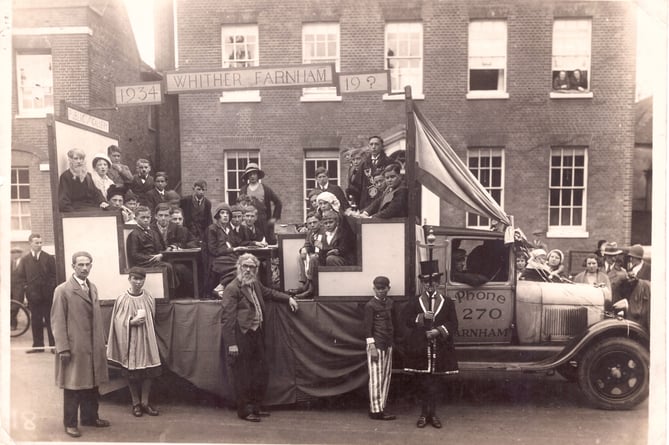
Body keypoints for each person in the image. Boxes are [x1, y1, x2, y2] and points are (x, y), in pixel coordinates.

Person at [220, 253, 299, 422]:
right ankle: (245, 411)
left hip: (257, 333)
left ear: (256, 269)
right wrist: (232, 344)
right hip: (242, 335)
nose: (248, 270)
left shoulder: (255, 283)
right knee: (243, 374)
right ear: (239, 267)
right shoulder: (232, 288)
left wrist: (288, 298)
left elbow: (269, 292)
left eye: (252, 267)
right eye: (245, 266)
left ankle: (255, 407)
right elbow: (227, 320)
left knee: (260, 371)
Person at [51, 251, 110, 438]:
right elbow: (57, 321)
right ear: (73, 266)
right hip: (74, 347)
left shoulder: (92, 287)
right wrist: (63, 348)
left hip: (92, 346)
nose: (84, 268)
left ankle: (90, 417)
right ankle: (70, 423)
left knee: (92, 383)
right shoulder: (63, 290)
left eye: (87, 264)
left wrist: (101, 342)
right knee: (73, 386)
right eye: (80, 265)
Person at [401, 260, 458, 429]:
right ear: (422, 283)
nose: (430, 285)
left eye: (433, 282)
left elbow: (454, 324)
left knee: (435, 384)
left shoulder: (447, 302)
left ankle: (433, 414)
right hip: (421, 348)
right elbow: (406, 320)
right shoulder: (415, 301)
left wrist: (438, 331)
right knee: (423, 383)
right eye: (426, 282)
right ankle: (423, 414)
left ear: (438, 283)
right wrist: (421, 318)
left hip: (439, 349)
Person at [107, 267, 161, 418]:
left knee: (149, 372)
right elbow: (117, 322)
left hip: (146, 339)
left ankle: (145, 402)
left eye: (141, 279)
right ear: (129, 279)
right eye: (135, 279)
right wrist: (131, 322)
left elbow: (153, 316)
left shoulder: (149, 297)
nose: (138, 282)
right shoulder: (122, 298)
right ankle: (135, 402)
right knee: (132, 374)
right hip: (130, 341)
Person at [126, 205, 185, 297]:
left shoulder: (153, 233)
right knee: (168, 266)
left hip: (155, 260)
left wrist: (162, 254)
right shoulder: (134, 234)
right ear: (135, 218)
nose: (146, 220)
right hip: (143, 263)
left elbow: (160, 248)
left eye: (147, 217)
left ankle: (175, 292)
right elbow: (134, 255)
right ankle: (171, 293)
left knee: (174, 265)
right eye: (142, 217)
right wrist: (153, 258)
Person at [15, 233, 57, 353]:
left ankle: (53, 346)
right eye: (36, 243)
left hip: (47, 296)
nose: (39, 245)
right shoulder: (25, 259)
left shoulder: (49, 258)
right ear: (30, 244)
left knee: (50, 320)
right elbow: (20, 277)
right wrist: (27, 289)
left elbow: (54, 275)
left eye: (40, 242)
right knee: (36, 320)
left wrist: (50, 287)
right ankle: (38, 346)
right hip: (33, 296)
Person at [363, 276, 396, 421]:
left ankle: (381, 407)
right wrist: (372, 347)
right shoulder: (370, 305)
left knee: (386, 377)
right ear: (374, 288)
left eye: (384, 288)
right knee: (376, 378)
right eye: (378, 289)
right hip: (376, 345)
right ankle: (375, 410)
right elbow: (367, 328)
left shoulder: (390, 303)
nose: (381, 291)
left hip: (388, 344)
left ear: (388, 288)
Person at [238, 163, 282, 236]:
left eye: (254, 174)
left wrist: (274, 218)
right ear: (247, 176)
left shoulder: (266, 189)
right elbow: (240, 206)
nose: (252, 176)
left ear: (258, 175)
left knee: (265, 241)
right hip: (248, 221)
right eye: (250, 174)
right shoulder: (243, 190)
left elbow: (278, 203)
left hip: (263, 221)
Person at [205, 202, 240, 293]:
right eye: (222, 213)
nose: (225, 216)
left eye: (227, 213)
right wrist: (231, 250)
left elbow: (238, 242)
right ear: (217, 215)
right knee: (241, 267)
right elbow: (213, 250)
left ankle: (221, 287)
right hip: (216, 260)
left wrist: (255, 243)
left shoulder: (229, 230)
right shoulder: (212, 229)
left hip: (228, 259)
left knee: (244, 264)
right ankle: (220, 287)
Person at [359, 136, 391, 209]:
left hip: (382, 198)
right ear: (369, 146)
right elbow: (359, 184)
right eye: (371, 144)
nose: (373, 147)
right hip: (366, 200)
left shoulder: (389, 161)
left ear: (382, 146)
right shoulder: (364, 164)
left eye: (376, 144)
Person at [10, 247, 24, 331]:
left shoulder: (24, 262)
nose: (15, 254)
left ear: (20, 253)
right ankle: (12, 323)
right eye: (13, 252)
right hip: (9, 289)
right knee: (9, 306)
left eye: (17, 252)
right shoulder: (9, 263)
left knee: (16, 306)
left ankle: (13, 324)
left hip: (19, 289)